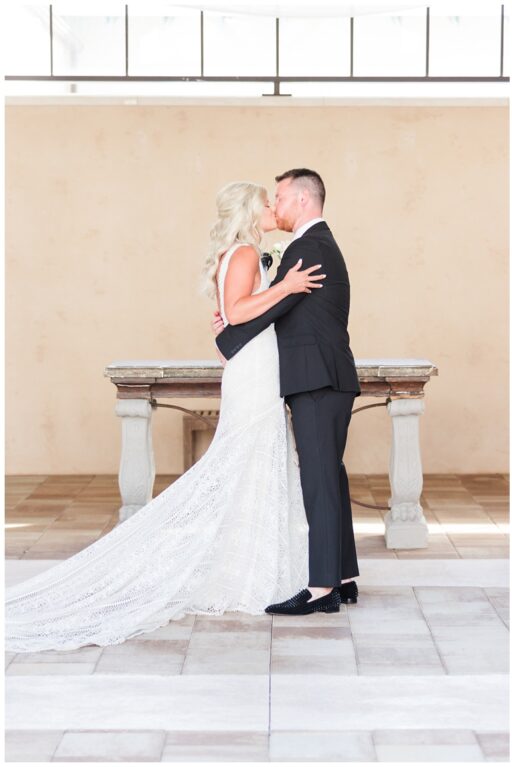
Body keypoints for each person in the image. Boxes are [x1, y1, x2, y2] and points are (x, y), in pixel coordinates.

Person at [6, 182, 326, 652]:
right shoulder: (241, 255)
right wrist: (286, 286)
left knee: (257, 466)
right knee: (247, 461)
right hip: (254, 373)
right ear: (246, 210)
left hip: (253, 366)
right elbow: (236, 313)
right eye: (264, 202)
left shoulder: (241, 254)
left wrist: (263, 299)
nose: (270, 209)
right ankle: (247, 572)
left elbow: (228, 320)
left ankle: (253, 565)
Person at [213, 168, 362, 616]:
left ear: (301, 200)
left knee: (318, 481)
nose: (274, 206)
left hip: (317, 378)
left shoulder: (307, 247)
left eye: (278, 197)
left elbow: (281, 302)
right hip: (325, 376)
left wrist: (227, 340)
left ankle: (321, 590)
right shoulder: (317, 243)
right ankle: (345, 576)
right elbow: (284, 305)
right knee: (329, 475)